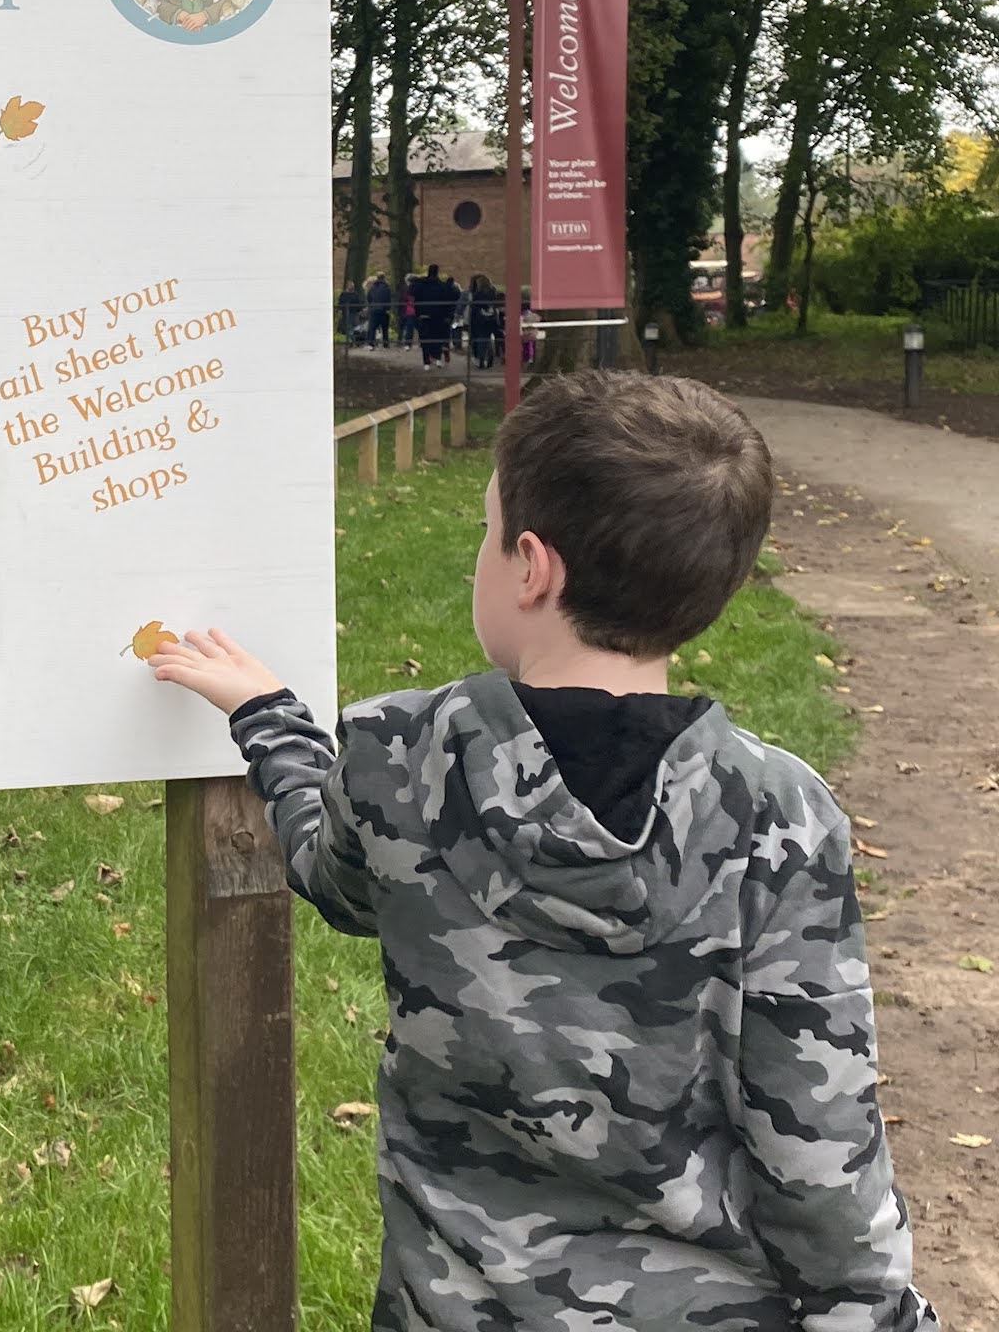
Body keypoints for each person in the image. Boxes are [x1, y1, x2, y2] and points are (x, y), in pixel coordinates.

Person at [147, 371, 935, 1332]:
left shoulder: (396, 759)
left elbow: (328, 873)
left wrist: (269, 719)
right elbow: (821, 1144)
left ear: (531, 566)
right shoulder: (782, 816)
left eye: (486, 532)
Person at [467, 274, 499, 368]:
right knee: (488, 339)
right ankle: (490, 359)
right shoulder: (493, 292)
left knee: (481, 340)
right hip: (491, 319)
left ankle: (481, 361)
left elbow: (474, 307)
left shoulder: (477, 294)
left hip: (480, 320)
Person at [366, 273, 393, 347]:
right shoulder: (386, 287)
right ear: (384, 278)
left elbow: (369, 298)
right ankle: (385, 343)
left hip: (374, 309)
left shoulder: (372, 287)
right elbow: (388, 299)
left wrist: (371, 306)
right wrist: (388, 308)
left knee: (372, 327)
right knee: (384, 327)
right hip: (383, 310)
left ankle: (371, 343)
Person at [336, 279, 367, 343]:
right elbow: (340, 303)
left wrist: (361, 309)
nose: (352, 287)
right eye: (351, 286)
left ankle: (353, 340)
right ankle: (350, 340)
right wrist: (340, 310)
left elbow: (358, 303)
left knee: (355, 326)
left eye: (353, 286)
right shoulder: (344, 294)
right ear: (348, 286)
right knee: (349, 327)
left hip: (354, 312)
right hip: (346, 313)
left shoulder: (355, 294)